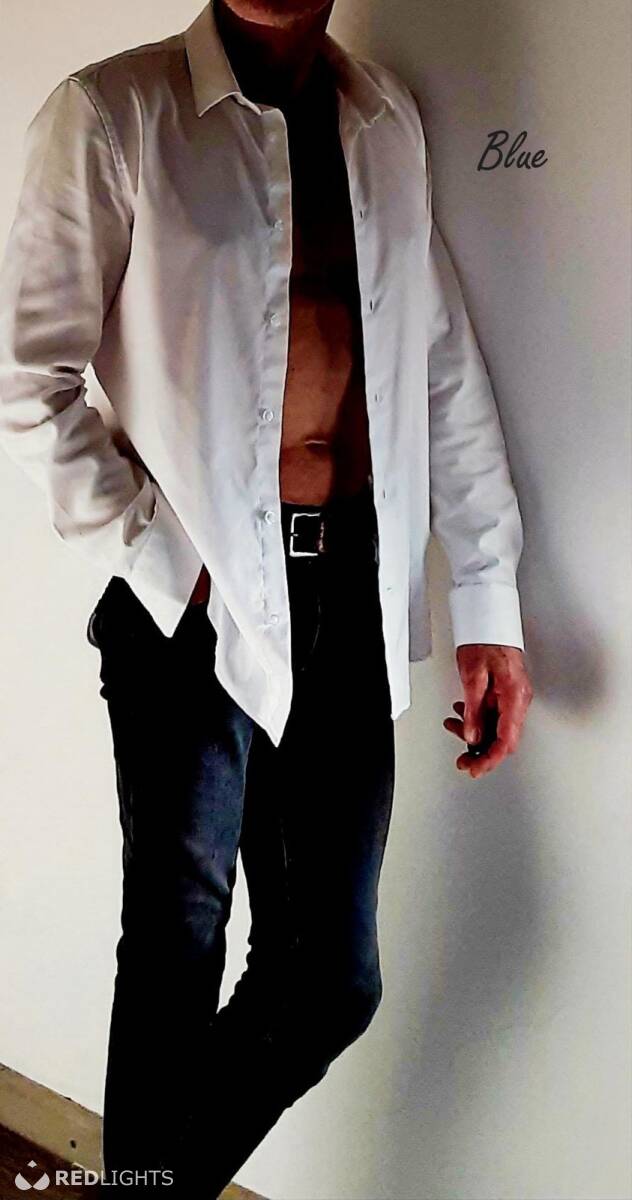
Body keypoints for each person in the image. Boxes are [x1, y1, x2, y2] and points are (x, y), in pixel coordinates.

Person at [0, 0, 534, 1194]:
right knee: (177, 949)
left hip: (349, 586)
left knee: (328, 977)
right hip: (186, 601)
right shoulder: (115, 115)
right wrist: (169, 565)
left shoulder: (381, 120)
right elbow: (26, 376)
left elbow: (439, 362)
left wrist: (486, 599)